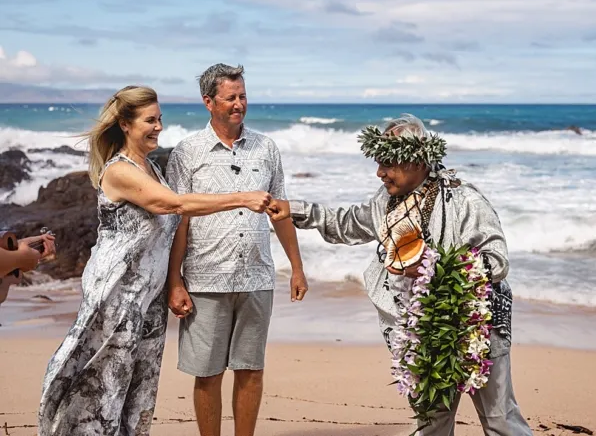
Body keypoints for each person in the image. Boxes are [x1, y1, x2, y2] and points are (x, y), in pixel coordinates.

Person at [267, 114, 532, 435]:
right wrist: (295, 209)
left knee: (499, 419)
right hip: (418, 331)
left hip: (477, 328)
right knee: (432, 422)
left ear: (418, 161)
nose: (380, 173)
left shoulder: (464, 200)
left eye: (389, 164)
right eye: (379, 163)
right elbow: (347, 223)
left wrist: (431, 267)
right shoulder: (386, 201)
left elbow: (497, 260)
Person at [38, 85, 273, 436]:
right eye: (150, 120)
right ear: (125, 124)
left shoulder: (150, 168)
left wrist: (174, 282)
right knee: (103, 387)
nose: (159, 127)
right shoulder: (120, 171)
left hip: (148, 300)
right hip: (117, 295)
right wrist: (241, 197)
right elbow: (174, 205)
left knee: (140, 389)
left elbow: (172, 226)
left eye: (160, 119)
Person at [165, 63, 308, 436]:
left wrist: (296, 266)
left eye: (243, 96)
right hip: (204, 279)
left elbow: (280, 212)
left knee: (251, 369)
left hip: (257, 276)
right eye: (231, 98)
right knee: (207, 373)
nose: (239, 104)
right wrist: (174, 281)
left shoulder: (266, 149)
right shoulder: (186, 152)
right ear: (208, 101)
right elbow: (178, 219)